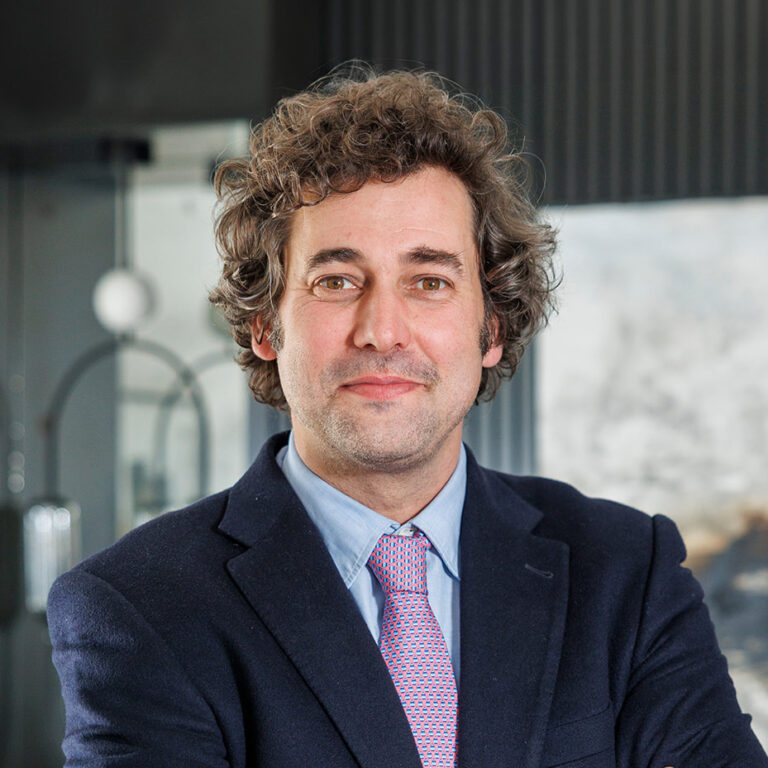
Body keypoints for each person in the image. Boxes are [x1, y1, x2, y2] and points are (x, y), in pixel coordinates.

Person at [48, 65, 767, 768]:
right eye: (337, 280)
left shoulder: (625, 572)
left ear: (490, 328)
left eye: (429, 281)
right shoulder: (140, 607)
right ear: (266, 325)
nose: (382, 330)